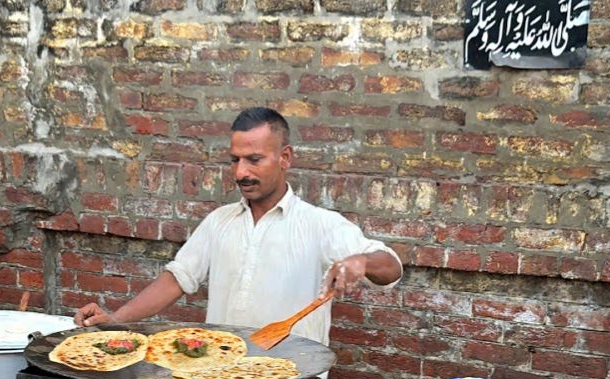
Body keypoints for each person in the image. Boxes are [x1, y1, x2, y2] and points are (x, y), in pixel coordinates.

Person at [73, 107, 403, 344]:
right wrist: (115, 320)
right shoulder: (219, 221)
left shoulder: (320, 224)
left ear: (285, 158)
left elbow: (391, 267)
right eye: (235, 160)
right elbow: (177, 279)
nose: (241, 172)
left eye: (254, 160)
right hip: (223, 375)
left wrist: (361, 261)